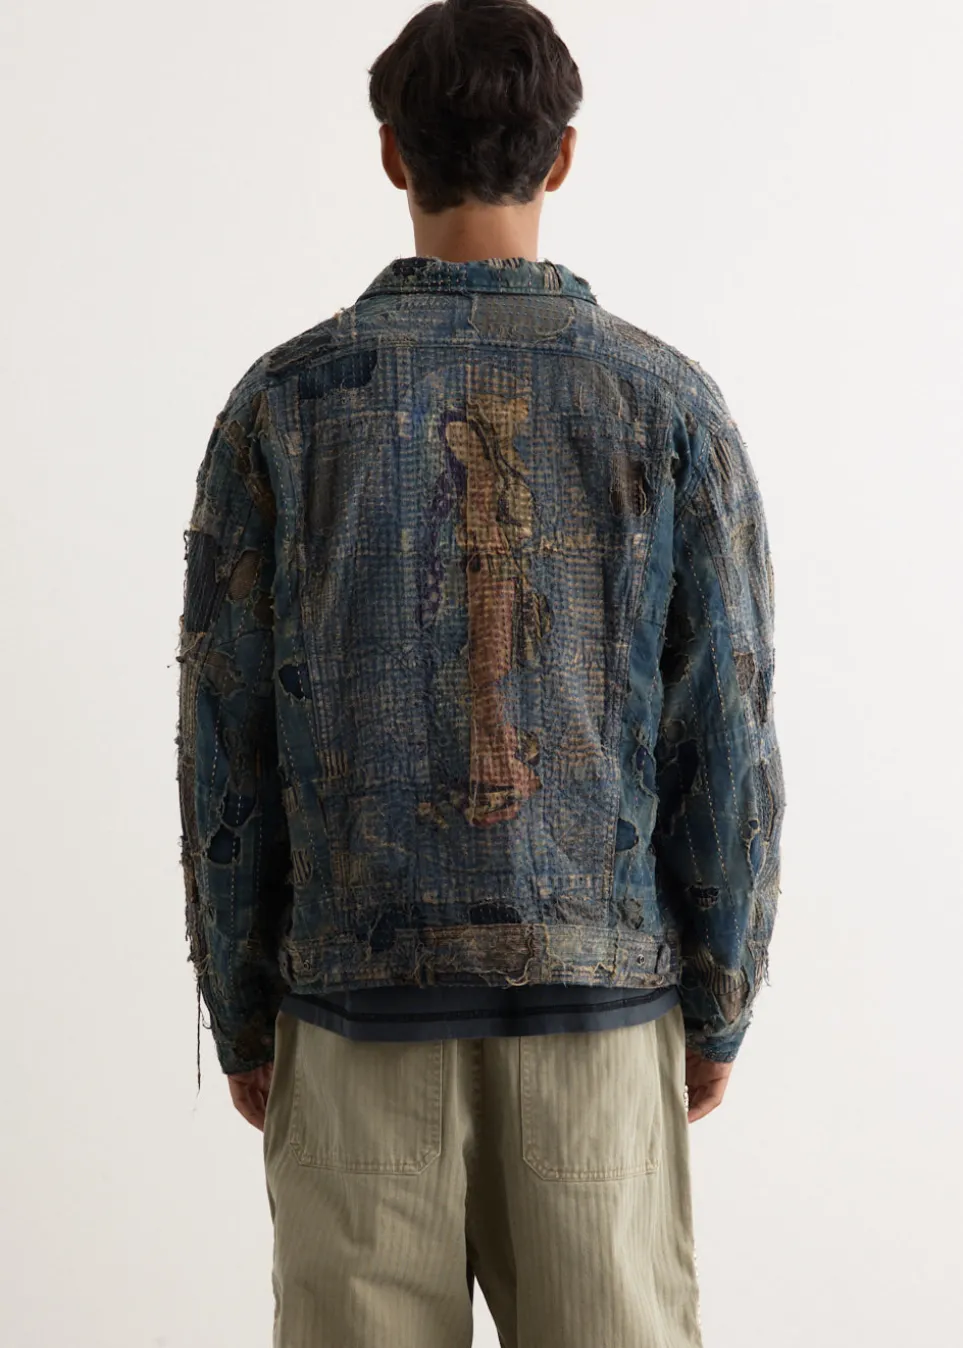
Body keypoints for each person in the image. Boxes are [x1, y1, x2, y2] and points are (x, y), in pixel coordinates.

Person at [175, 2, 786, 1344]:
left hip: (351, 1014)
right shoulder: (666, 404)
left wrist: (243, 1008)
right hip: (599, 1017)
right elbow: (725, 732)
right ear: (561, 156)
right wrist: (718, 999)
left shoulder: (285, 405)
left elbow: (224, 734)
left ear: (393, 153)